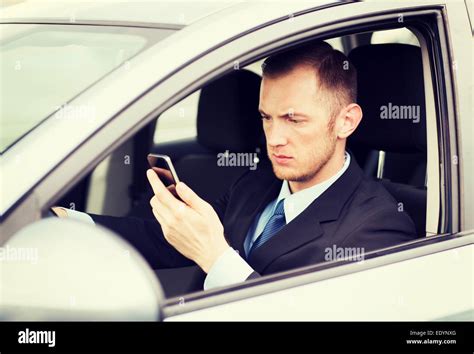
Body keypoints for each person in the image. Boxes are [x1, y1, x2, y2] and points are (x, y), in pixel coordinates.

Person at [53, 41, 416, 290]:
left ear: (346, 122)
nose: (274, 137)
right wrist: (68, 222)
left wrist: (217, 257)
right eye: (267, 117)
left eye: (294, 119)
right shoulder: (255, 183)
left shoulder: (380, 228)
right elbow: (171, 243)